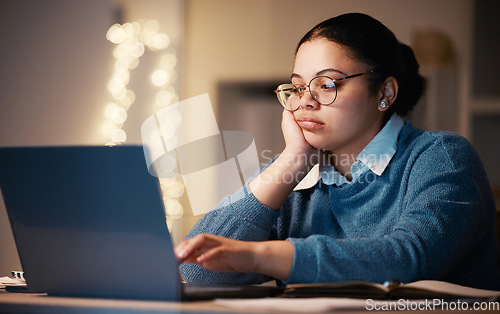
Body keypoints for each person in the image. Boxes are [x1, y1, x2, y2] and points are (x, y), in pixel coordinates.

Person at [175, 13, 500, 290]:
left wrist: (262, 256)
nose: (304, 101)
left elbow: (407, 259)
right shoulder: (295, 173)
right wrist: (291, 161)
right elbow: (196, 272)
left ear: (385, 92)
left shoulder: (440, 156)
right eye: (298, 87)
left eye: (326, 84)